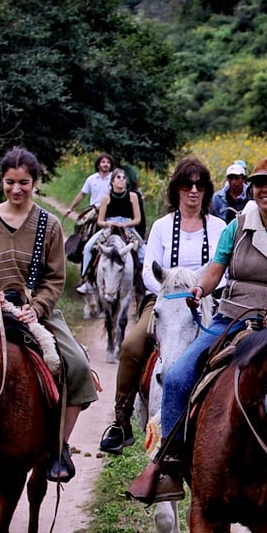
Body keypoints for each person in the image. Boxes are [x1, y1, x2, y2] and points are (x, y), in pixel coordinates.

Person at [125, 156, 267, 503]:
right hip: (231, 315)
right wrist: (199, 289)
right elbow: (216, 271)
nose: (265, 190)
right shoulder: (237, 225)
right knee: (176, 378)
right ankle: (170, 465)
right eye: (259, 184)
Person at [0, 146, 98, 482]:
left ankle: (59, 446)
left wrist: (35, 308)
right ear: (2, 182)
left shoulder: (48, 225)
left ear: (34, 182)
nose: (16, 189)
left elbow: (54, 278)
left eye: (24, 182)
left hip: (34, 310)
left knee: (77, 364)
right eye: (10, 182)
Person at [98, 156, 227, 454]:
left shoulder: (220, 227)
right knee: (132, 345)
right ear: (176, 190)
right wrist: (171, 295)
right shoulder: (161, 226)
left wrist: (202, 291)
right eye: (186, 184)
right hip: (165, 301)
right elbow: (147, 272)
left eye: (199, 185)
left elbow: (224, 271)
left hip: (208, 300)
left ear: (206, 190)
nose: (193, 191)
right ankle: (121, 420)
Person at [76, 166, 144, 294]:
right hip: (109, 227)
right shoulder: (106, 198)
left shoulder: (133, 196)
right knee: (88, 248)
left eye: (124, 177)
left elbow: (137, 219)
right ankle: (88, 280)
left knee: (143, 251)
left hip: (127, 227)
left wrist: (126, 224)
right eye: (118, 177)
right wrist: (109, 223)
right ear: (112, 181)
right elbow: (100, 221)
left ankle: (144, 284)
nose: (121, 180)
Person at [61, 152, 113, 223]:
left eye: (108, 162)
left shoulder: (115, 179)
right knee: (80, 223)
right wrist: (70, 208)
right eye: (103, 162)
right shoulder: (91, 179)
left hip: (110, 210)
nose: (106, 164)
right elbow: (82, 194)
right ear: (98, 165)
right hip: (94, 210)